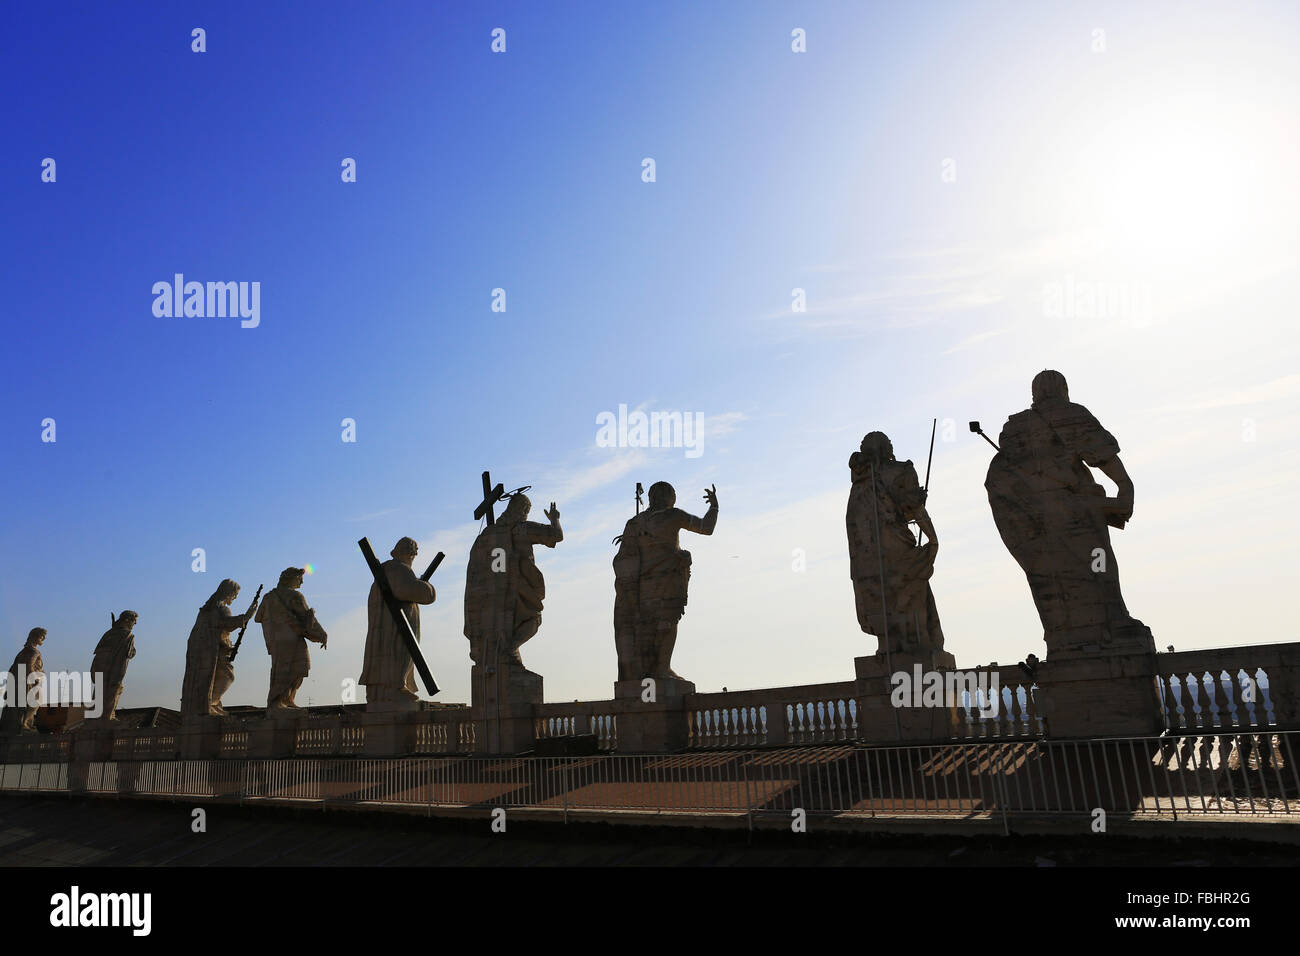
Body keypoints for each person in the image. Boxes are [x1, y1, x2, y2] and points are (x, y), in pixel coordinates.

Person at [985, 369, 1154, 657]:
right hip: (1074, 512)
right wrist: (1124, 485)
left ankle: (1062, 631)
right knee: (1098, 565)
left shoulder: (1014, 429)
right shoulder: (1069, 414)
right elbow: (1101, 452)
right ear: (1063, 389)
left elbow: (1003, 478)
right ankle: (1113, 622)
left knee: (1051, 575)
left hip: (1034, 519)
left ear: (1035, 393)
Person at [846, 432, 946, 658]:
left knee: (881, 597)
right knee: (909, 592)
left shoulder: (858, 483)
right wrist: (932, 537)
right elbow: (914, 508)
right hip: (896, 549)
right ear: (886, 448)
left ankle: (888, 644)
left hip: (866, 557)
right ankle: (918, 645)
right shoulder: (899, 471)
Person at [612, 481, 718, 682]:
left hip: (640, 589)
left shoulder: (634, 523)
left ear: (651, 497)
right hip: (667, 581)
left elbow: (625, 557)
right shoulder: (673, 515)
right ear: (671, 497)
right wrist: (714, 506)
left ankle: (647, 675)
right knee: (667, 624)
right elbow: (706, 528)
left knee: (647, 627)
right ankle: (662, 668)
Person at [464, 494, 563, 670]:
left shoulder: (486, 535)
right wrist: (555, 519)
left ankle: (508, 651)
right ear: (523, 510)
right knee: (534, 618)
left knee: (502, 626)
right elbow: (556, 535)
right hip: (514, 587)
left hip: (487, 595)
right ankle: (510, 649)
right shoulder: (521, 529)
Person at [360, 537, 434, 707]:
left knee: (397, 655)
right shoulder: (397, 569)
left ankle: (392, 688)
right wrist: (428, 588)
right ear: (410, 554)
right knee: (398, 653)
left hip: (391, 624)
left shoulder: (387, 570)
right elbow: (409, 590)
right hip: (395, 627)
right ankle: (395, 687)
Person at [180, 580, 258, 717]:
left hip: (204, 650)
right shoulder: (220, 609)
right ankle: (211, 703)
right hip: (212, 651)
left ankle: (210, 703)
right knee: (228, 676)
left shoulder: (206, 610)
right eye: (235, 594)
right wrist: (247, 616)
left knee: (210, 678)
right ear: (228, 593)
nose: (235, 597)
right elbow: (228, 624)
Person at [257, 567, 328, 713]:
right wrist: (322, 634)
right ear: (292, 578)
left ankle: (284, 700)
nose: (302, 582)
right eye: (300, 578)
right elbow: (307, 617)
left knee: (282, 668)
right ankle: (279, 700)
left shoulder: (268, 597)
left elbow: (259, 617)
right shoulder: (294, 596)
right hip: (292, 639)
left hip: (276, 640)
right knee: (299, 667)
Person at [91, 611, 138, 721]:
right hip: (114, 672)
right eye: (133, 622)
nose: (134, 625)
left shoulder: (108, 633)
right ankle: (107, 717)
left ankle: (95, 717)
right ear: (127, 620)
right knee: (114, 690)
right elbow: (129, 654)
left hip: (100, 672)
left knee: (99, 692)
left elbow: (98, 655)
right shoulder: (127, 635)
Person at [0, 628, 46, 733]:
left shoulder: (22, 652)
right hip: (28, 682)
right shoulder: (34, 651)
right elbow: (29, 665)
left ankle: (19, 725)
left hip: (17, 682)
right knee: (35, 701)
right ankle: (25, 724)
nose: (43, 639)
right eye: (41, 637)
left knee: (18, 706)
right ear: (35, 637)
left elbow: (12, 668)